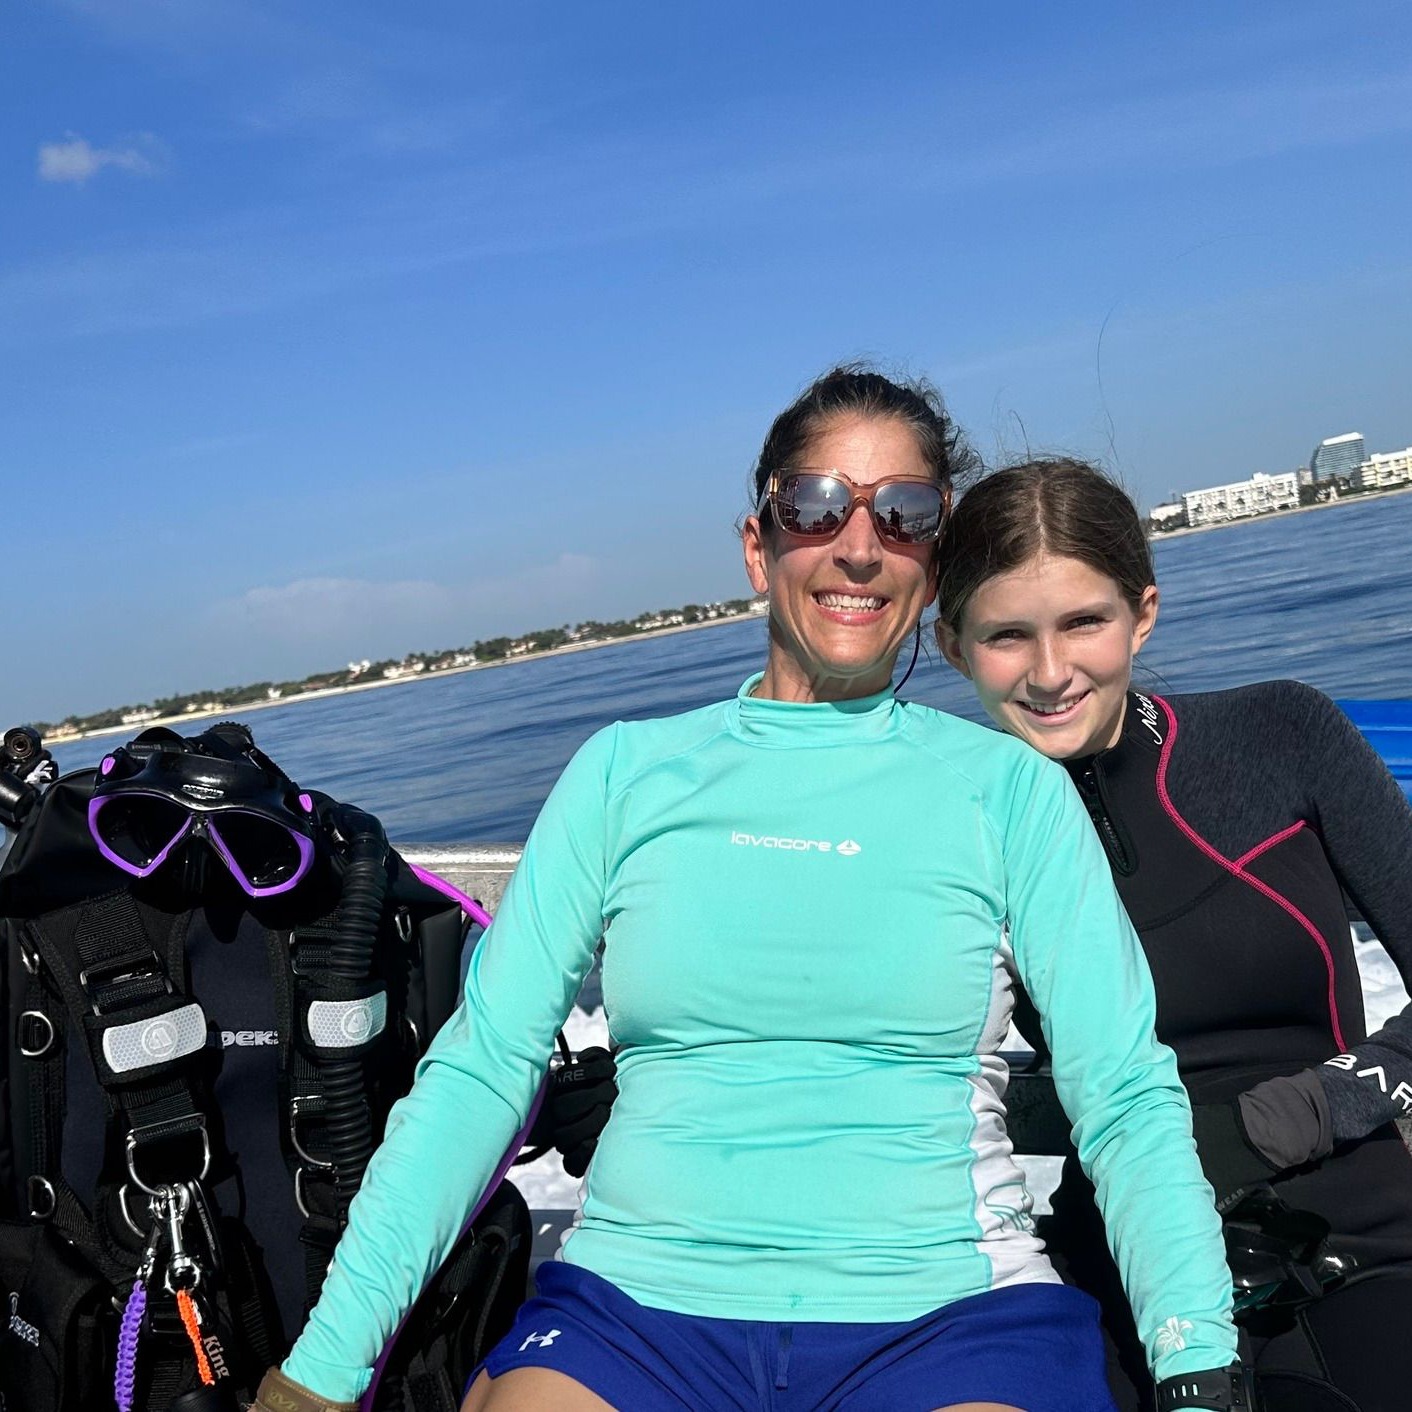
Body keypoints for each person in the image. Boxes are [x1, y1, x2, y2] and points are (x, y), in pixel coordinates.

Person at [255, 371, 1242, 1412]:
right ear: (756, 542)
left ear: (931, 554)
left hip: (946, 1312)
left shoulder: (1007, 790)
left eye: (901, 513)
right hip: (632, 1310)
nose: (857, 544)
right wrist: (320, 1371)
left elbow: (1120, 1090)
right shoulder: (623, 772)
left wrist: (1195, 1367)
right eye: (816, 504)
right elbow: (481, 1068)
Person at [935, 457, 1412, 1412]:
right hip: (1115, 1239)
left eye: (1084, 622)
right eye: (1007, 637)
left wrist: (1289, 1119)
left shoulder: (1280, 736)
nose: (1051, 672)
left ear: (1142, 613)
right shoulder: (955, 828)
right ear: (952, 645)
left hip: (1345, 1218)